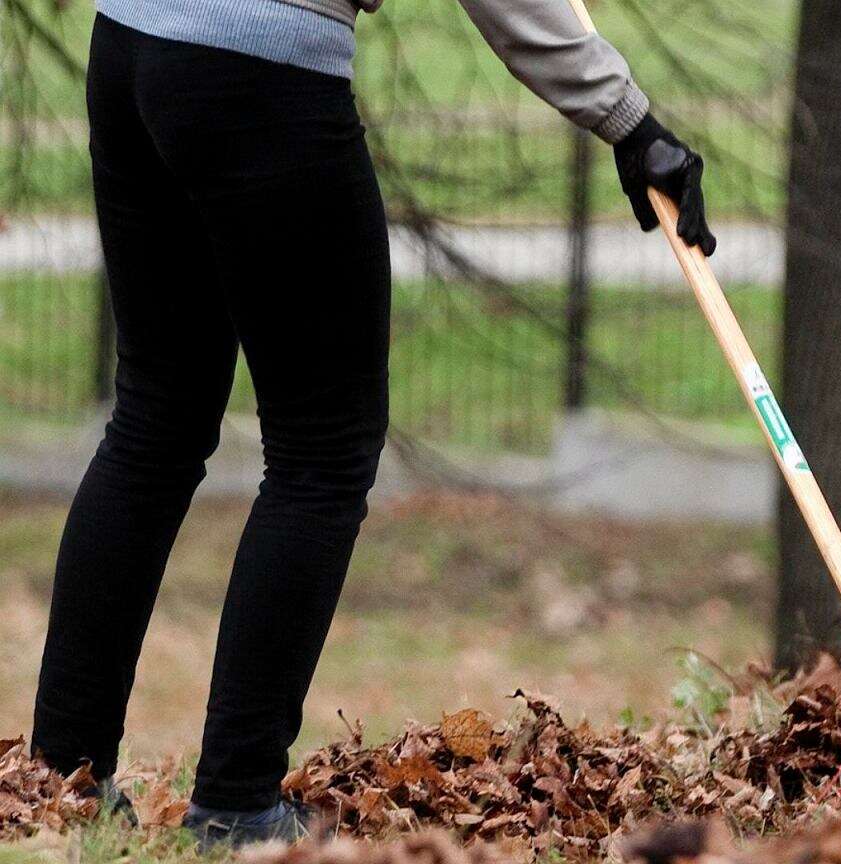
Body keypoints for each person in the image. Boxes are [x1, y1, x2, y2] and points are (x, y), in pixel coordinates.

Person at [30, 0, 715, 849]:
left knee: (154, 422)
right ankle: (238, 805)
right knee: (322, 446)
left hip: (129, 42)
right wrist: (629, 120)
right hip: (260, 63)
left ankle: (59, 780)